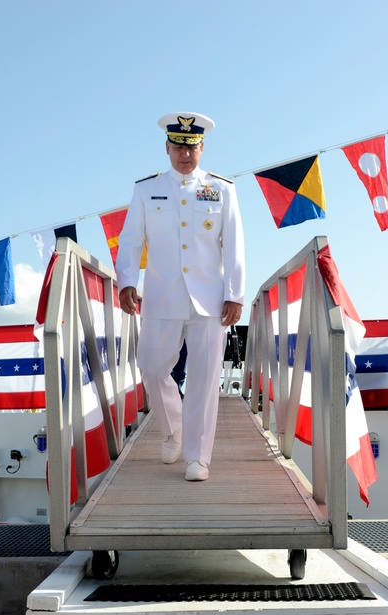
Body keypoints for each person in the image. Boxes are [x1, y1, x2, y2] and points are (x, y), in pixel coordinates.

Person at [117, 112, 246, 482]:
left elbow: (234, 245)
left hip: (210, 298)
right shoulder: (147, 190)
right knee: (152, 367)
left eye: (191, 148)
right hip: (161, 295)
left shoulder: (222, 189)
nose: (184, 155)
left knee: (205, 380)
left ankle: (198, 457)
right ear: (168, 148)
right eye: (178, 147)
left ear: (202, 148)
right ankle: (172, 428)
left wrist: (235, 293)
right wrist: (127, 281)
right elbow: (130, 240)